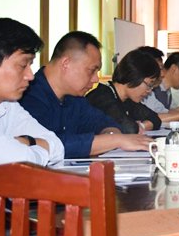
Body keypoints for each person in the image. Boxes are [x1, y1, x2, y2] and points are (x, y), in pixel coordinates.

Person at [21, 31, 152, 158]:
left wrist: (111, 135)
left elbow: (104, 122)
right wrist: (114, 140)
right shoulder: (27, 96)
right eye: (91, 70)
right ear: (66, 64)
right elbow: (46, 143)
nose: (96, 79)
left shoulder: (74, 97)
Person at [0, 17, 63, 166]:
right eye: (23, 65)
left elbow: (57, 147)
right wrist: (28, 149)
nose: (30, 76)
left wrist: (25, 141)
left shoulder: (7, 105)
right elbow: (21, 160)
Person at [86, 48, 162, 133]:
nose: (149, 91)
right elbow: (128, 128)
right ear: (135, 76)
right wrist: (136, 126)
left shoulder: (127, 99)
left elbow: (156, 119)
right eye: (149, 85)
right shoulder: (102, 97)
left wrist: (142, 126)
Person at [141, 51, 179, 122]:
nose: (162, 73)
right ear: (174, 68)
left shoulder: (167, 92)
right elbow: (154, 118)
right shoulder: (152, 90)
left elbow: (167, 112)